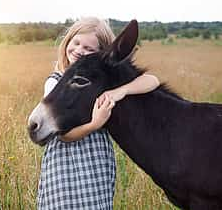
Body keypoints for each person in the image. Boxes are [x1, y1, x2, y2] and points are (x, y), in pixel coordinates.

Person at [37, 17, 160, 210]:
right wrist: (94, 124)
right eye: (76, 43)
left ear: (101, 55)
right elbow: (64, 136)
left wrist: (121, 91)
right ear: (67, 41)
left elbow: (152, 81)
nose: (79, 51)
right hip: (66, 167)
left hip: (96, 165)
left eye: (89, 49)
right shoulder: (56, 82)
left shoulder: (100, 83)